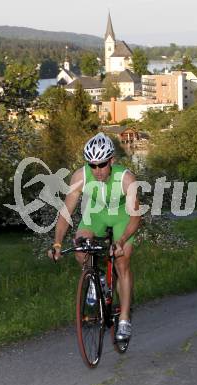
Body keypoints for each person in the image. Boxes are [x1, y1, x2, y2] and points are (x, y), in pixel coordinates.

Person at [48, 132, 140, 340]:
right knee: (81, 248)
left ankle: (124, 319)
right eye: (92, 165)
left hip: (121, 218)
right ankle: (96, 278)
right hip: (95, 215)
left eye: (102, 165)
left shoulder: (126, 178)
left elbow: (136, 218)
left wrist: (122, 240)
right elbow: (65, 212)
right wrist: (57, 242)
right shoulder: (80, 177)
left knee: (122, 262)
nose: (97, 170)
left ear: (112, 161)